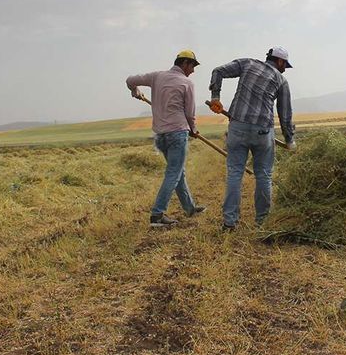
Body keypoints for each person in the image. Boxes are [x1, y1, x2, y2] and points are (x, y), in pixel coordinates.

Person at [209, 46, 296, 231]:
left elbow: (218, 71)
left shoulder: (247, 64)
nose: (284, 69)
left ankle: (229, 223)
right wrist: (289, 139)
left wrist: (215, 97)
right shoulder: (281, 80)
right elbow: (285, 114)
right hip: (262, 132)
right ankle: (262, 222)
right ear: (279, 61)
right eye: (284, 65)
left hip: (237, 126)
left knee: (235, 173)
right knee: (264, 175)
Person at [126, 50, 207, 228]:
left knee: (178, 172)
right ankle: (157, 214)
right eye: (193, 66)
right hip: (178, 133)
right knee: (174, 173)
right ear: (185, 63)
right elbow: (190, 113)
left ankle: (189, 207)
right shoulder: (187, 83)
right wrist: (193, 129)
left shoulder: (156, 76)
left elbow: (130, 80)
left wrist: (135, 90)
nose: (193, 71)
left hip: (160, 136)